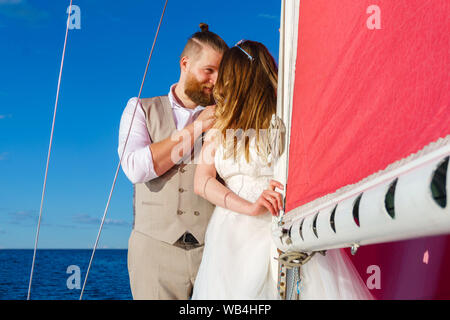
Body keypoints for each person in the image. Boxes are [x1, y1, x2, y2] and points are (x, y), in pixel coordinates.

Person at [191, 40, 374, 300]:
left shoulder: (285, 122)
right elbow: (202, 182)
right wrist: (249, 206)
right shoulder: (219, 125)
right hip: (233, 235)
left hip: (283, 223)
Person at [118, 23, 228, 300]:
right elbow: (136, 168)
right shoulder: (140, 108)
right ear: (185, 63)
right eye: (209, 70)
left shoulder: (229, 118)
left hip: (214, 249)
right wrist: (196, 128)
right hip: (154, 253)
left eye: (221, 73)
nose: (215, 80)